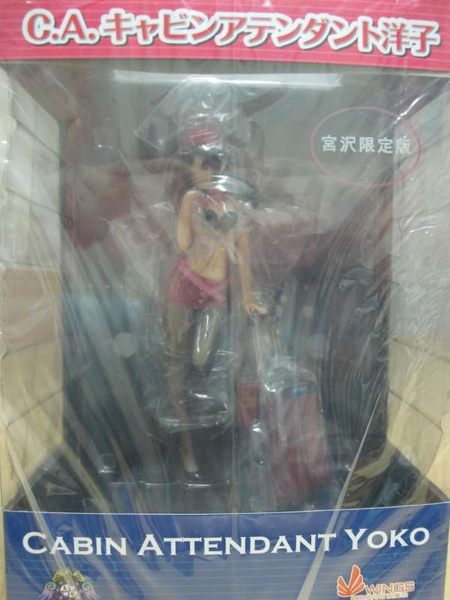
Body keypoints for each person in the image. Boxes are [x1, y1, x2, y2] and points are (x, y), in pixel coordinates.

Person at [164, 123, 266, 477]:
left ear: (217, 166)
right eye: (194, 167)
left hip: (214, 291)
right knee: (176, 360)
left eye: (203, 166)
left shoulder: (237, 206)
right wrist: (191, 211)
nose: (198, 173)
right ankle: (183, 440)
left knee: (201, 357)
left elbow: (244, 257)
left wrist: (248, 297)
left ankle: (204, 423)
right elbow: (182, 244)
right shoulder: (192, 200)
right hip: (184, 283)